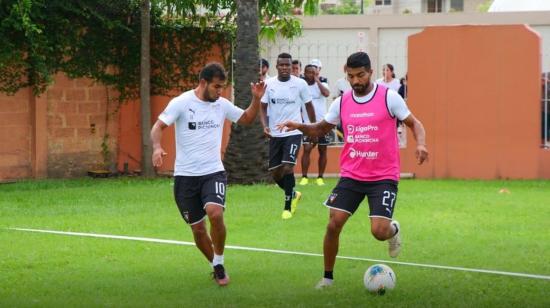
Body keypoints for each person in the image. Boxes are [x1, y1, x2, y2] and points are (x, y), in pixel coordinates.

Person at [276, 52, 429, 289]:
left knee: (379, 231)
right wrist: (300, 126)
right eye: (351, 76)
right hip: (351, 175)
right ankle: (327, 277)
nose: (356, 81)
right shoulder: (342, 102)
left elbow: (415, 124)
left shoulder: (389, 98)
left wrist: (420, 143)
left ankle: (393, 229)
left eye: (361, 75)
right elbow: (320, 129)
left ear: (370, 72)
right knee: (333, 223)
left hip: (383, 176)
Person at [150, 62, 266, 287]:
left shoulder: (221, 104)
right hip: (185, 177)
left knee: (215, 213)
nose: (220, 91)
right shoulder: (181, 103)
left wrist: (256, 99)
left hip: (213, 172)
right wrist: (156, 147)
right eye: (216, 86)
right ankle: (215, 264)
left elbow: (246, 119)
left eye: (222, 87)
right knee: (198, 228)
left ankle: (220, 260)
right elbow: (157, 127)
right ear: (203, 82)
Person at [260, 52, 316, 220]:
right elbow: (262, 107)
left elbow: (309, 106)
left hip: (293, 132)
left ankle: (287, 208)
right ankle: (294, 194)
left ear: (292, 67)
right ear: (276, 66)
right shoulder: (268, 84)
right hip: (275, 134)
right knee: (275, 173)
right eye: (281, 65)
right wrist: (265, 126)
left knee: (287, 166)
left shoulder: (300, 84)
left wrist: (313, 128)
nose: (285, 67)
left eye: (288, 65)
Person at [299, 64, 331, 186]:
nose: (311, 75)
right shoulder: (302, 87)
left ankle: (320, 177)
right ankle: (304, 177)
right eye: (308, 72)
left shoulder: (322, 85)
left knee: (322, 149)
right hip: (307, 124)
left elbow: (327, 94)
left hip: (323, 123)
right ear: (304, 73)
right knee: (307, 148)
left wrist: (317, 80)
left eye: (313, 72)